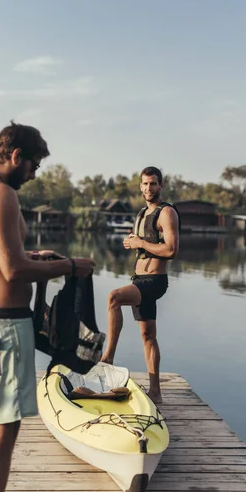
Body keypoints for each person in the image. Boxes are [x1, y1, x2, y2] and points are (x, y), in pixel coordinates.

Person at [0, 121, 95, 492]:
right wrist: (69, 265)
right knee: (3, 428)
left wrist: (36, 258)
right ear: (15, 156)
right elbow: (11, 271)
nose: (33, 174)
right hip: (2, 328)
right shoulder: (2, 195)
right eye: (33, 165)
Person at [101, 166, 179, 404]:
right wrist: (132, 243)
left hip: (155, 281)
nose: (148, 188)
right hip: (139, 280)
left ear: (161, 186)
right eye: (144, 184)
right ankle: (156, 393)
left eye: (153, 184)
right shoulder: (142, 214)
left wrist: (141, 244)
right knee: (148, 336)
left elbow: (171, 250)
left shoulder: (167, 213)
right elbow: (142, 243)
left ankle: (107, 359)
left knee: (114, 297)